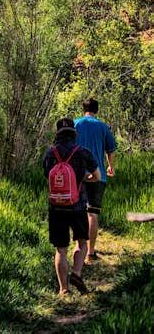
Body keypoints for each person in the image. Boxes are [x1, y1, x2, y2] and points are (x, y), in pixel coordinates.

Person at [43, 118, 101, 296]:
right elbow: (97, 176)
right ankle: (76, 273)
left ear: (58, 134)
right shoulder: (83, 152)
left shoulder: (50, 153)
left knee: (60, 249)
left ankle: (63, 289)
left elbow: (48, 178)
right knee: (82, 242)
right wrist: (83, 179)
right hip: (77, 205)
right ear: (73, 134)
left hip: (56, 207)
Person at [74, 98, 116, 263]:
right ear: (96, 110)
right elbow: (111, 150)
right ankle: (91, 253)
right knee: (92, 213)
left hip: (77, 176)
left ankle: (79, 248)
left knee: (78, 211)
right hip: (98, 176)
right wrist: (110, 166)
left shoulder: (75, 124)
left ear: (83, 109)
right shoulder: (103, 127)